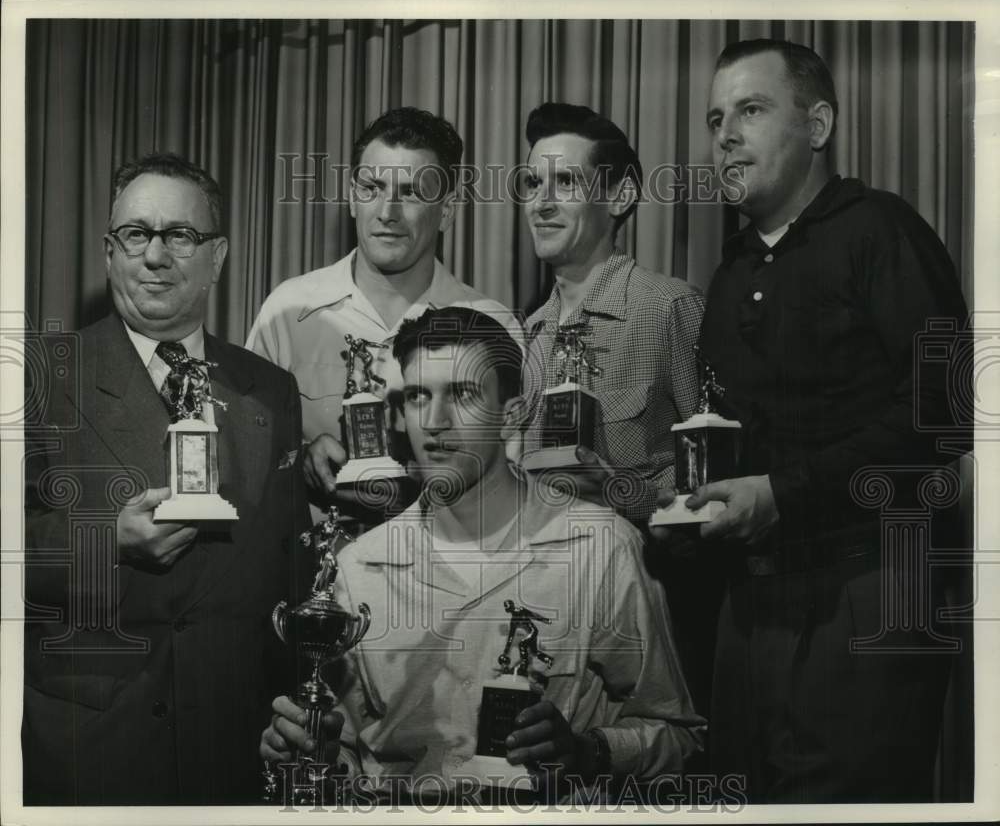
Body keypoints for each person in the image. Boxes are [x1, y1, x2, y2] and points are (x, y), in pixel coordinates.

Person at [661, 39, 971, 802]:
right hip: (747, 610)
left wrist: (785, 495)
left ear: (819, 123)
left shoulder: (883, 232)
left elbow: (944, 423)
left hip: (869, 596)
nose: (725, 133)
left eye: (752, 110)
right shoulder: (731, 274)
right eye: (714, 118)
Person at [260, 306, 704, 805]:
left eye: (463, 395)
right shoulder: (360, 567)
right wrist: (309, 751)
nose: (435, 421)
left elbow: (680, 736)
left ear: (512, 413)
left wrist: (587, 750)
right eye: (417, 397)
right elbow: (345, 749)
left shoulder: (601, 547)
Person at [22, 153, 309, 804]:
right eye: (136, 234)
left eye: (181, 235)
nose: (155, 255)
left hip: (234, 749)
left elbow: (288, 570)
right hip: (91, 752)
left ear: (218, 256)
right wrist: (104, 542)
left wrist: (293, 702)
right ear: (108, 250)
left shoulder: (271, 389)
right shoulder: (38, 375)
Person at [246, 107, 520, 512]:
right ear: (353, 198)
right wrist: (300, 458)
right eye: (371, 188)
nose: (387, 212)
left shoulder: (493, 325)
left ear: (446, 210)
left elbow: (513, 474)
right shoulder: (288, 311)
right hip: (308, 568)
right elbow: (245, 450)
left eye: (410, 193)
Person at [520, 102, 704, 522]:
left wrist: (618, 493)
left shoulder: (668, 309)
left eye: (565, 181)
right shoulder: (530, 333)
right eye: (533, 183)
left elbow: (713, 483)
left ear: (619, 197)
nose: (540, 203)